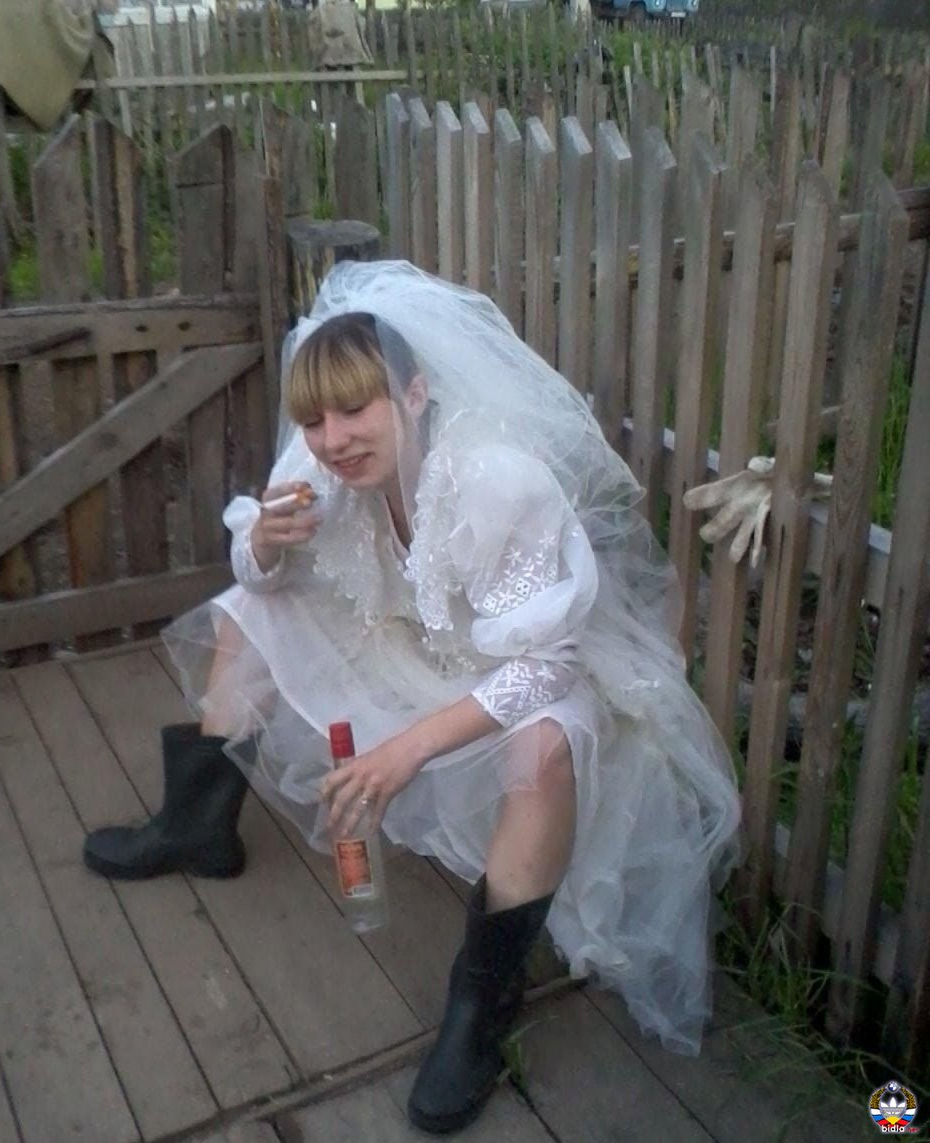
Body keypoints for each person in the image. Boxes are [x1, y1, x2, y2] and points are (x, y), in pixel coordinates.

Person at [83, 261, 741, 1134]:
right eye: (313, 419)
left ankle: (480, 1009)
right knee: (250, 607)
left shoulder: (496, 480)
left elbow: (549, 664)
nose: (331, 438)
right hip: (408, 647)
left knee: (545, 746)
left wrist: (408, 747)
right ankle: (198, 823)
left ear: (416, 392)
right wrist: (266, 545)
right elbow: (259, 571)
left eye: (355, 409)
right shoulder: (323, 459)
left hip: (514, 673)